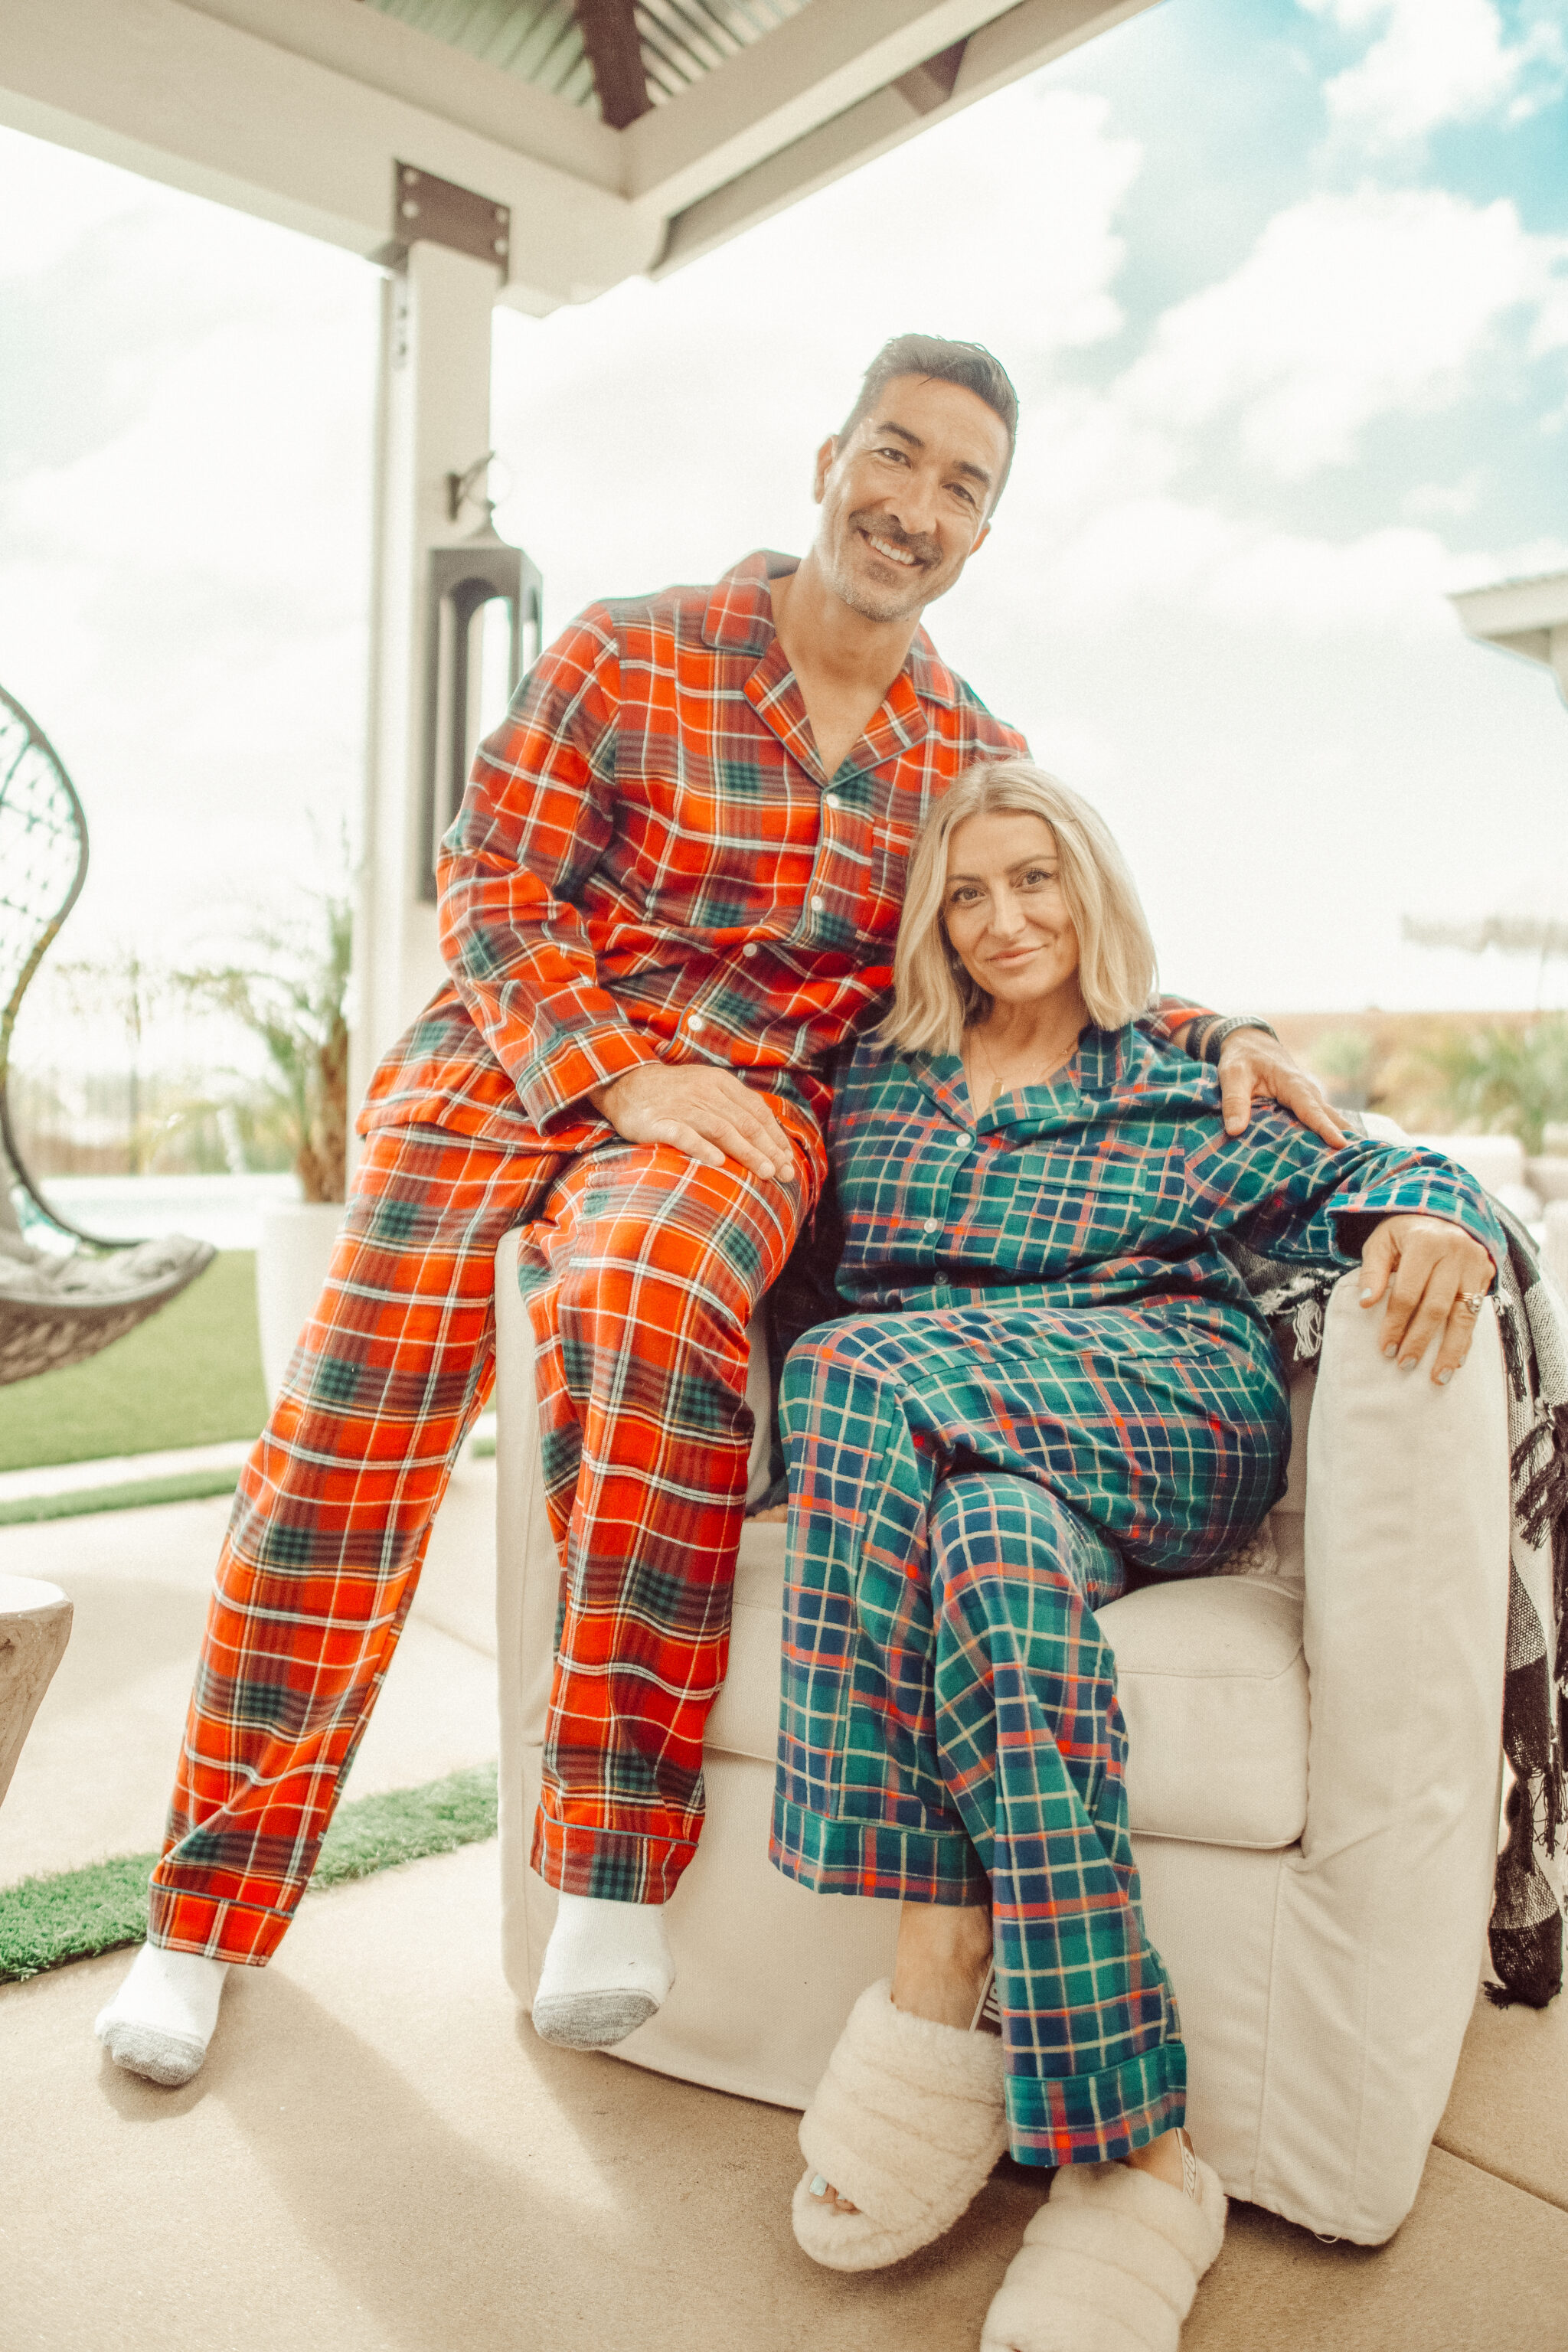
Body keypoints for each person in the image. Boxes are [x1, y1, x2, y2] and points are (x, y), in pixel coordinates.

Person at [95, 335, 1340, 2092]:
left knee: (661, 1299)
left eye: (959, 485)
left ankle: (608, 1862)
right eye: (892, 458)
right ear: (828, 455)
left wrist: (1231, 1033)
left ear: (985, 528)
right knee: (348, 1422)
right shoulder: (629, 646)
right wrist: (606, 1073)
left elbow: (1037, 947)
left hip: (745, 1110)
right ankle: (203, 1915)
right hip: (517, 1054)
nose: (912, 507)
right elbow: (492, 880)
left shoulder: (968, 750)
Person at [769, 760, 1501, 2347]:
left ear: (1088, 888)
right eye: (967, 892)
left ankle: (932, 1949)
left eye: (1036, 879)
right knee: (983, 1558)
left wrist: (1437, 1217)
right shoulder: (871, 1084)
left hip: (1163, 1403)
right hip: (968, 1449)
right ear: (933, 921)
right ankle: (1134, 2151)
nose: (1004, 917)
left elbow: (1379, 1163)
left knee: (846, 1372)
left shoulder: (1179, 1072)